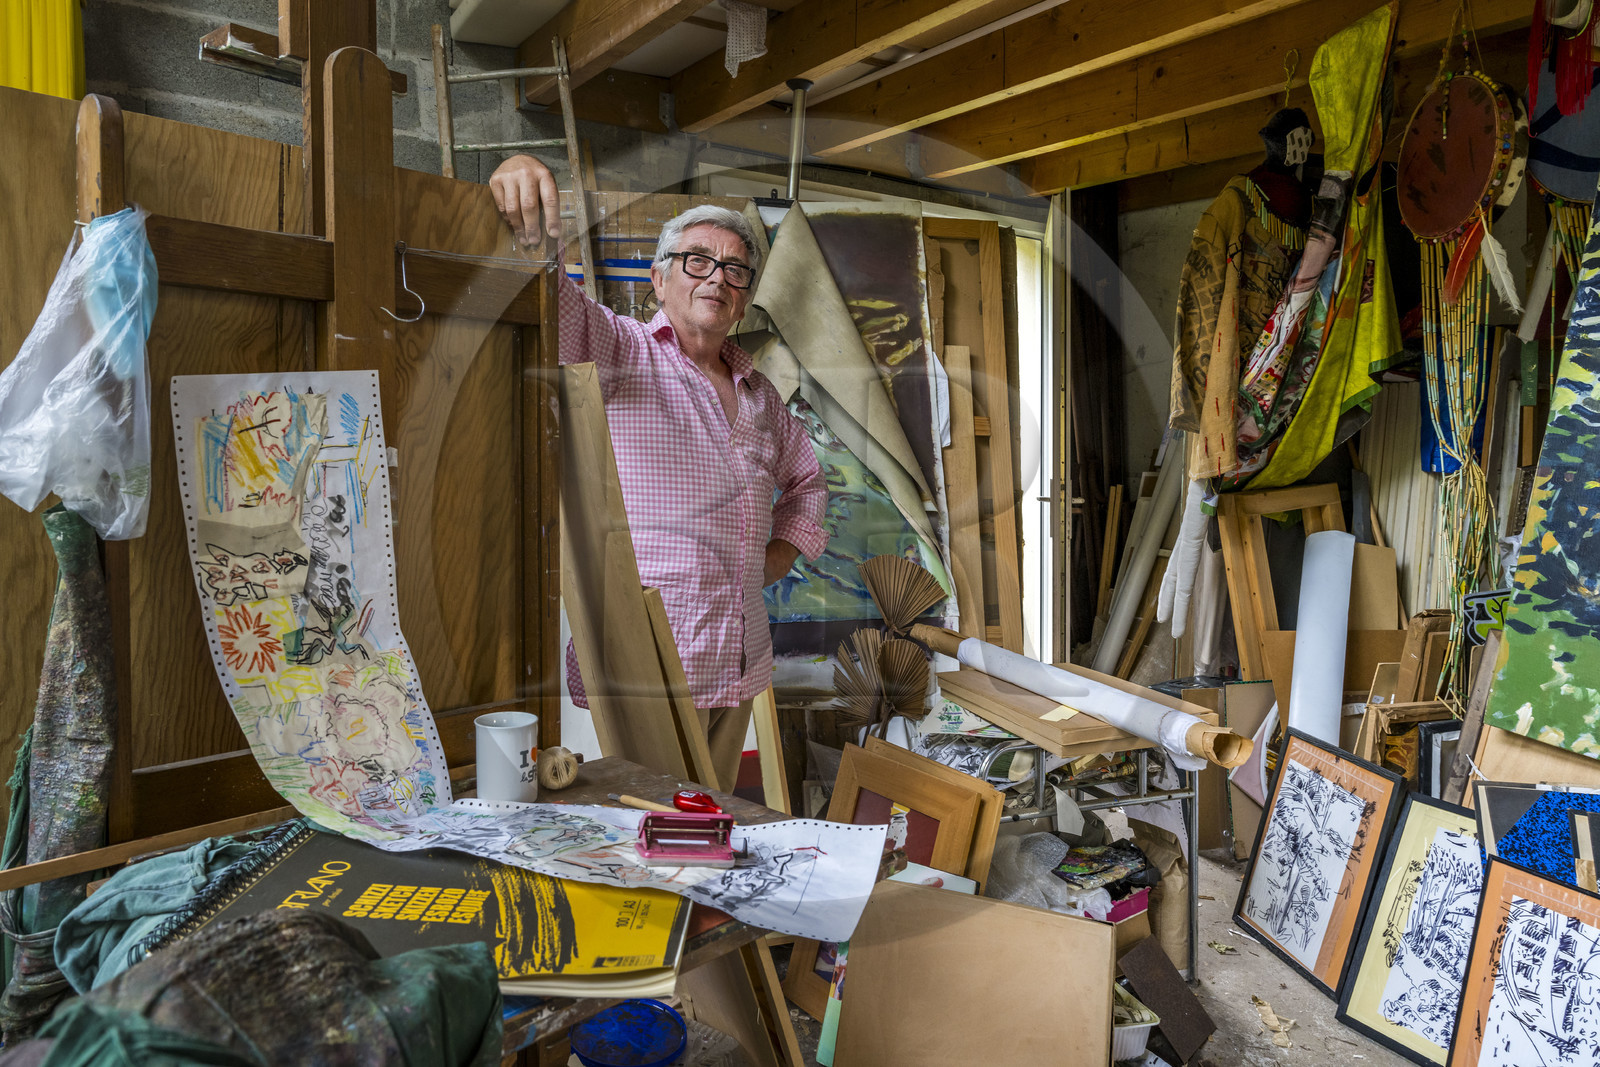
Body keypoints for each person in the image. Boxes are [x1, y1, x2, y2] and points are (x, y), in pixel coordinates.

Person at [489, 154, 828, 791]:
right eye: (697, 260)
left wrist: (776, 557)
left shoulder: (760, 396)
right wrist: (528, 201)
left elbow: (809, 485)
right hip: (646, 666)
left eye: (734, 270)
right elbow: (558, 311)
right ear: (659, 278)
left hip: (738, 658)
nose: (716, 278)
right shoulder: (625, 353)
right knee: (642, 841)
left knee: (710, 833)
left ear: (745, 298)